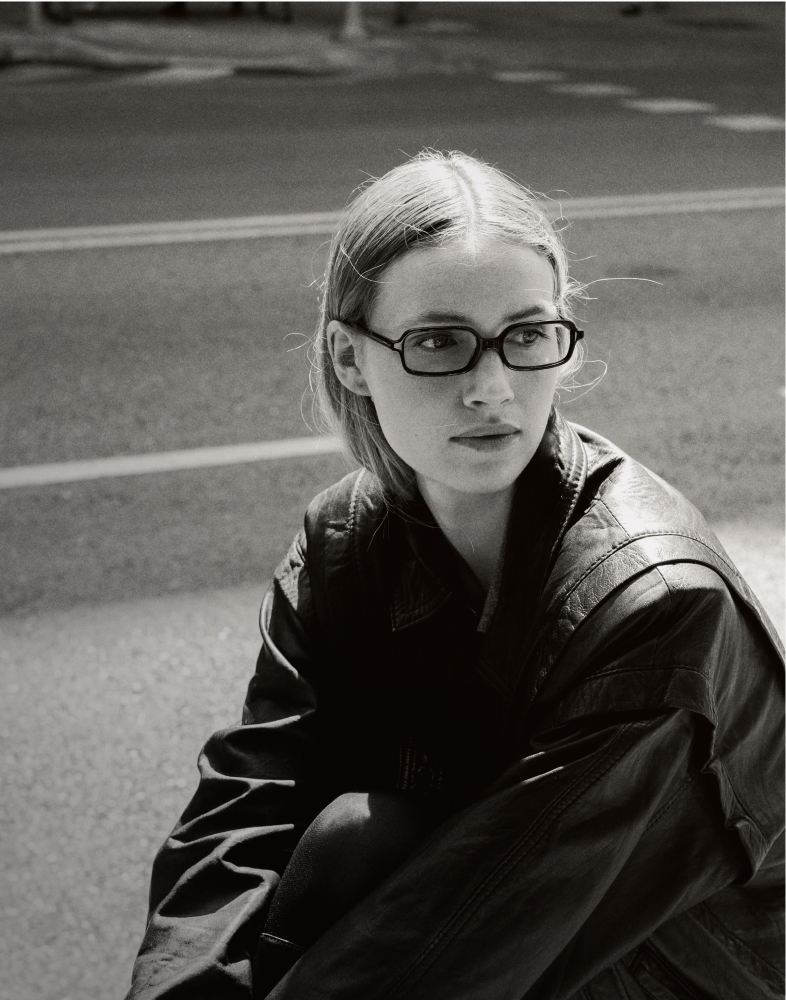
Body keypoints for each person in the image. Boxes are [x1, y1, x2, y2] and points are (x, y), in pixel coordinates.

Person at [126, 151, 784, 1000]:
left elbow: (479, 929)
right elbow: (249, 808)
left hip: (660, 973)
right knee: (352, 838)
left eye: (527, 335)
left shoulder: (656, 606)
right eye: (439, 341)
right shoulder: (344, 542)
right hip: (499, 944)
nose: (491, 388)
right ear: (349, 358)